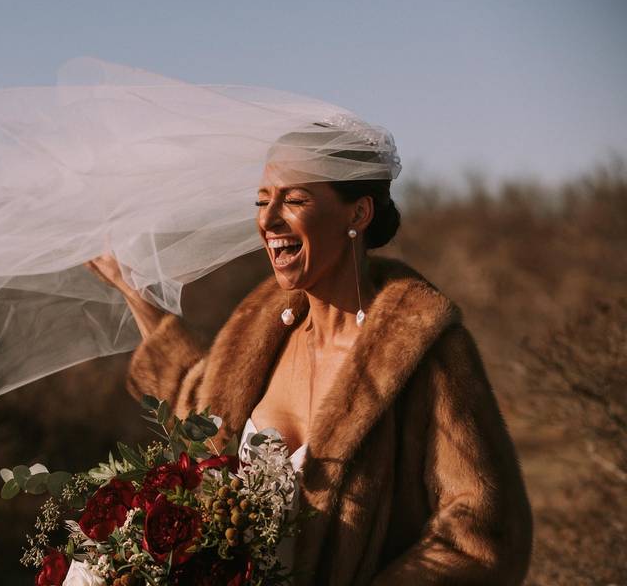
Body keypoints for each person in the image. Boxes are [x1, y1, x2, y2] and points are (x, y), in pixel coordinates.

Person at [85, 136, 533, 584]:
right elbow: (197, 400)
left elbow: (484, 536)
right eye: (262, 201)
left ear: (358, 213)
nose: (268, 218)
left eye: (294, 199)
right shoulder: (258, 333)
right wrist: (131, 289)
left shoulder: (423, 353)